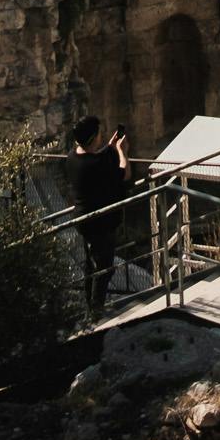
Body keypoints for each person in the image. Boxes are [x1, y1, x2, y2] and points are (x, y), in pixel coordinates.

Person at [68, 115, 134, 314]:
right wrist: (122, 152)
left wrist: (109, 148)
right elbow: (125, 174)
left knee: (91, 265)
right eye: (99, 134)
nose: (101, 136)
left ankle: (90, 305)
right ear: (93, 138)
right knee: (105, 266)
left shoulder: (72, 157)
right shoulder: (95, 164)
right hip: (100, 222)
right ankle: (96, 310)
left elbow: (95, 159)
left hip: (83, 219)